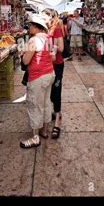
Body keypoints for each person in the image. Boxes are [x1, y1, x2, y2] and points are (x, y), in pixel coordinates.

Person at [20, 14, 55, 149]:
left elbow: (26, 61)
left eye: (30, 25)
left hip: (37, 77)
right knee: (46, 103)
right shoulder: (48, 39)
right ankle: (44, 131)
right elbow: (51, 57)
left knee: (35, 105)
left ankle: (35, 138)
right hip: (49, 74)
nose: (29, 28)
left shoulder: (33, 40)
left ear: (36, 27)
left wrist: (23, 53)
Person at [42, 8, 65, 139]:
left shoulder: (56, 29)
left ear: (50, 17)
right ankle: (54, 112)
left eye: (44, 16)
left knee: (56, 90)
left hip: (57, 65)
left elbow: (60, 48)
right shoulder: (44, 29)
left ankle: (57, 119)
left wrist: (48, 48)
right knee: (48, 91)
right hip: (46, 64)